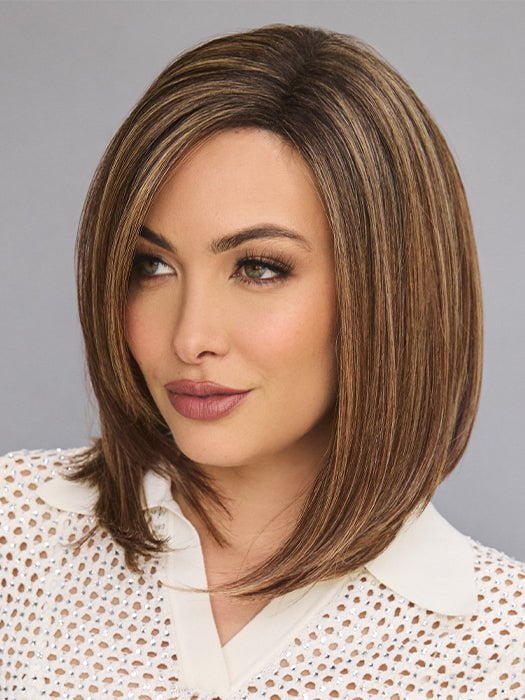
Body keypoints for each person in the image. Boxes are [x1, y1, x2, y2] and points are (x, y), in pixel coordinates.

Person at [1, 23, 523, 699]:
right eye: (150, 265)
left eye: (258, 268)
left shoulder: (498, 650)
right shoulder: (16, 533)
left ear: (391, 293)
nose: (190, 337)